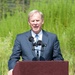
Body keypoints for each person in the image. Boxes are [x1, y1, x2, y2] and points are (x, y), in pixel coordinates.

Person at [8, 10, 64, 75]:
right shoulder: (20, 38)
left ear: (42, 21)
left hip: (47, 72)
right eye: (33, 21)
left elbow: (58, 58)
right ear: (29, 22)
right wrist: (12, 69)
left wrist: (58, 70)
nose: (35, 23)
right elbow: (14, 57)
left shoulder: (52, 38)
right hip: (26, 72)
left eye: (37, 20)